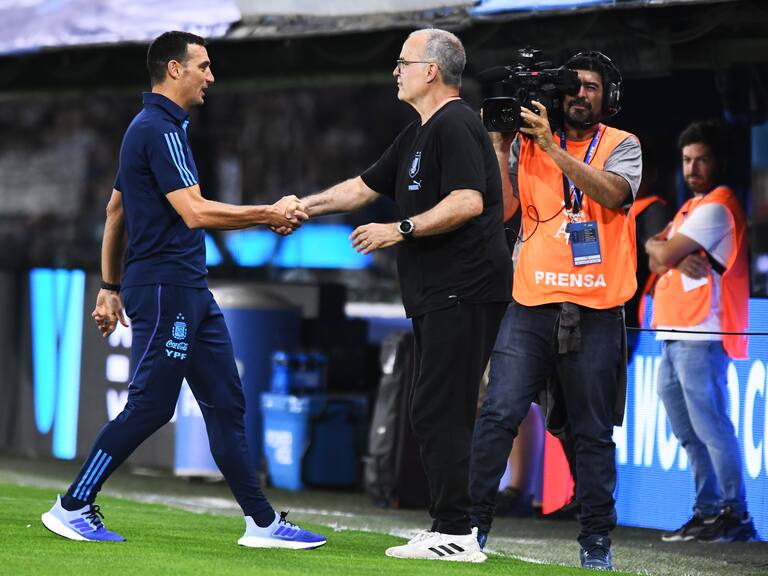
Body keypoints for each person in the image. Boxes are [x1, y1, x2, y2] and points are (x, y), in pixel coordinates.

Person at [40, 31, 326, 550]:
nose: (211, 76)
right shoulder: (161, 128)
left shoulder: (145, 128)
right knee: (151, 405)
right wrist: (270, 213)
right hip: (169, 289)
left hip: (186, 289)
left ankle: (261, 524)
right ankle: (72, 505)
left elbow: (115, 212)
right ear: (175, 70)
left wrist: (109, 286)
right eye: (204, 66)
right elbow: (194, 212)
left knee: (225, 402)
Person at [297, 28, 511, 562]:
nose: (395, 71)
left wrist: (401, 229)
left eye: (403, 62)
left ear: (431, 71)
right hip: (439, 293)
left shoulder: (458, 123)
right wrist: (300, 207)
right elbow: (363, 187)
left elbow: (467, 201)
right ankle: (447, 522)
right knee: (433, 407)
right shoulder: (419, 131)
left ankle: (459, 533)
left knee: (443, 408)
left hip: (465, 288)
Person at [469, 51, 642, 571]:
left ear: (606, 96)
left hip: (595, 306)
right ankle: (470, 528)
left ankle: (595, 542)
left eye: (591, 87)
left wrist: (552, 148)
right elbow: (500, 211)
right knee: (498, 414)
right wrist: (502, 148)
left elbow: (613, 195)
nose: (580, 95)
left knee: (591, 431)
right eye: (572, 87)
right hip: (531, 303)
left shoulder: (622, 144)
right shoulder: (525, 145)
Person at [645, 120, 755, 543]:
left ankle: (734, 512)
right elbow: (655, 257)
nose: (692, 168)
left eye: (702, 159)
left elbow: (662, 250)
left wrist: (667, 252)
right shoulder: (690, 208)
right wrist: (666, 253)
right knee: (688, 432)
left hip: (702, 335)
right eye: (687, 160)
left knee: (710, 428)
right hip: (674, 334)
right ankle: (708, 510)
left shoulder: (716, 206)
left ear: (719, 162)